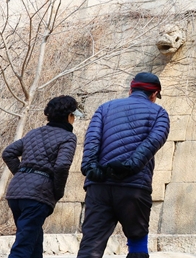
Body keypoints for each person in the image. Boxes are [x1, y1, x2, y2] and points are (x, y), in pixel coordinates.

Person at [77, 72, 170, 258]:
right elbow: (152, 143)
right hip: (134, 187)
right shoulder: (159, 113)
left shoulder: (104, 108)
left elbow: (92, 140)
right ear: (154, 95)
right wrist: (129, 166)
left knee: (91, 244)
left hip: (99, 186)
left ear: (131, 89)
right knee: (137, 239)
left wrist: (90, 168)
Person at [2, 95, 80, 258]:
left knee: (34, 241)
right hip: (37, 195)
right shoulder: (68, 137)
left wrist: (23, 176)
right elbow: (62, 165)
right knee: (23, 246)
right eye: (73, 115)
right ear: (68, 117)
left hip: (16, 193)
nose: (74, 119)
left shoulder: (33, 133)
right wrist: (57, 191)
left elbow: (8, 153)